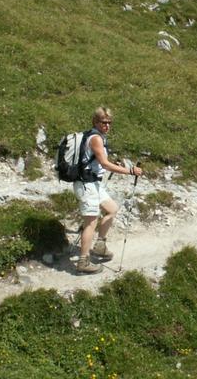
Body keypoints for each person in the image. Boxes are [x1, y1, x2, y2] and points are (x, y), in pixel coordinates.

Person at [73, 107, 143, 274]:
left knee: (112, 209)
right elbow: (104, 164)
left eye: (109, 122)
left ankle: (100, 245)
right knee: (90, 222)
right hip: (87, 184)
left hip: (93, 184)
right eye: (104, 122)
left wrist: (114, 166)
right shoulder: (96, 138)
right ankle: (83, 261)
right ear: (95, 122)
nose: (107, 125)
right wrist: (130, 171)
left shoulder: (94, 136)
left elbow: (98, 161)